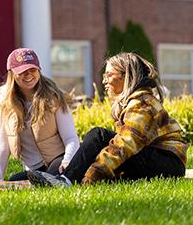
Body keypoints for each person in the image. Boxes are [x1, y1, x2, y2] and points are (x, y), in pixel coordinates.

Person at [26, 52, 188, 187]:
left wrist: (92, 175)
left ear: (127, 76)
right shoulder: (134, 102)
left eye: (109, 75)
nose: (104, 81)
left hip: (167, 164)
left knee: (99, 136)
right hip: (155, 161)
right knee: (98, 143)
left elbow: (126, 144)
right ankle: (49, 177)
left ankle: (65, 181)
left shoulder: (142, 103)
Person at [0, 47, 79, 180]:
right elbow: (2, 144)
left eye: (32, 69)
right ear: (12, 74)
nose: (28, 75)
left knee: (47, 179)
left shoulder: (54, 95)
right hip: (33, 169)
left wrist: (67, 161)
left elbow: (71, 138)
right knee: (14, 181)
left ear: (39, 70)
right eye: (22, 71)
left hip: (58, 161)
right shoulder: (3, 100)